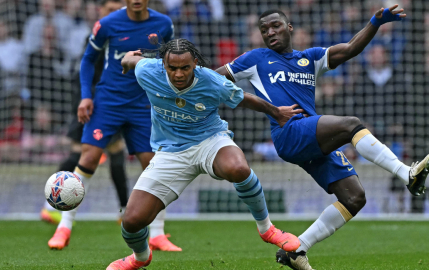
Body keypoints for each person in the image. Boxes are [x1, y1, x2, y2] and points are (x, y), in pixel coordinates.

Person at [215, 6, 429, 269]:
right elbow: (213, 80)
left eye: (275, 26)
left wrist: (375, 22)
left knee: (354, 198)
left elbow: (351, 48)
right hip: (289, 133)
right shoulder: (256, 58)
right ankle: (407, 174)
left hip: (311, 137)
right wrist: (268, 109)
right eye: (264, 30)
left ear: (290, 27)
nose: (270, 32)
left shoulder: (310, 58)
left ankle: (296, 249)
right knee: (350, 125)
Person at [106, 38, 302, 270]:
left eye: (185, 68)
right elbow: (131, 60)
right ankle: (140, 257)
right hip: (170, 152)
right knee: (131, 221)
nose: (179, 74)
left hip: (210, 140)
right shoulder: (148, 71)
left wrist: (276, 112)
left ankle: (267, 229)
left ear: (195, 63)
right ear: (163, 66)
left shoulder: (212, 81)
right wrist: (129, 59)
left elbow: (244, 99)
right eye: (173, 68)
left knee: (238, 168)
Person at [47, 0, 181, 252]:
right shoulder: (107, 24)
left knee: (153, 165)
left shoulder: (163, 24)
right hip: (109, 101)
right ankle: (63, 228)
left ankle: (157, 233)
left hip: (143, 103)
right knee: (89, 157)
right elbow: (88, 60)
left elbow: (169, 59)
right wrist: (86, 96)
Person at [40, 0, 128, 226]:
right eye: (110, 9)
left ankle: (51, 206)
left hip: (105, 102)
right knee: (99, 154)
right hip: (92, 103)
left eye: (118, 10)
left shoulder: (119, 35)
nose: (114, 14)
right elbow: (86, 72)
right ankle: (124, 210)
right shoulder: (100, 37)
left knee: (102, 154)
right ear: (101, 11)